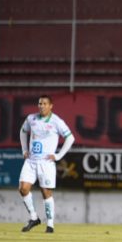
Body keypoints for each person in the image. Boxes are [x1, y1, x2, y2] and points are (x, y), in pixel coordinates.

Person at [19, 94, 75, 233]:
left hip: (46, 162)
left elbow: (70, 138)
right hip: (31, 161)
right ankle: (34, 217)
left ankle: (50, 225)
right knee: (23, 188)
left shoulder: (57, 121)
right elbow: (23, 131)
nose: (41, 106)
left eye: (44, 103)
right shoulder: (31, 118)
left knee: (46, 192)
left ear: (51, 106)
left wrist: (58, 155)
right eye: (40, 103)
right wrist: (25, 149)